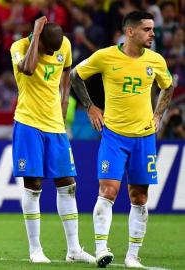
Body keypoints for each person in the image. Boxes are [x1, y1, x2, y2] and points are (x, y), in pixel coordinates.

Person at [71, 11, 174, 268]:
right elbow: (75, 75)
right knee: (108, 191)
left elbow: (168, 86)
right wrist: (91, 107)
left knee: (139, 196)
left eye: (152, 29)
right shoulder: (105, 56)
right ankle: (101, 248)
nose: (152, 33)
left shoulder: (156, 60)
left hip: (144, 138)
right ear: (130, 32)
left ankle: (132, 256)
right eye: (147, 29)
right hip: (114, 137)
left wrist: (158, 115)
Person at [10, 16, 95, 264]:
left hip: (55, 125)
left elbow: (67, 69)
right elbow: (26, 68)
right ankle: (35, 249)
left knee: (68, 183)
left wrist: (65, 97)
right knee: (33, 185)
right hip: (28, 123)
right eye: (48, 49)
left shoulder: (64, 45)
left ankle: (74, 249)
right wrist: (35, 36)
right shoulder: (19, 47)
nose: (52, 53)